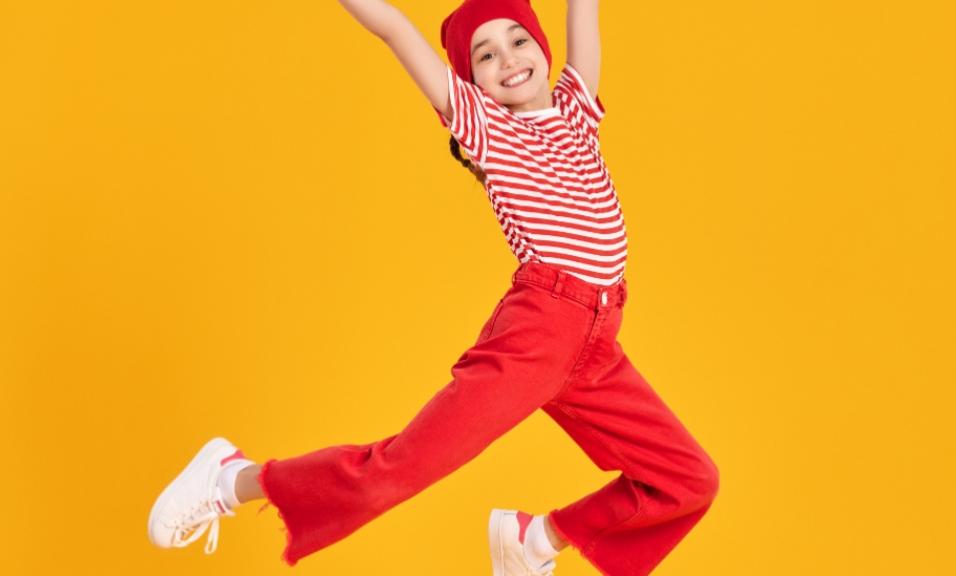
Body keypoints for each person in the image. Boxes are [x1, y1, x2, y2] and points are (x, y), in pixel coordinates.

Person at [147, 1, 720, 574]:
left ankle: (535, 540)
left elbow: (584, 12)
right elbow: (393, 28)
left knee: (688, 478)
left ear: (543, 49)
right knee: (396, 472)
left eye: (518, 41)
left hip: (597, 342)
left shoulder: (576, 110)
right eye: (485, 55)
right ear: (472, 84)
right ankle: (232, 479)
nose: (508, 60)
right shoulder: (487, 126)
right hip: (540, 331)